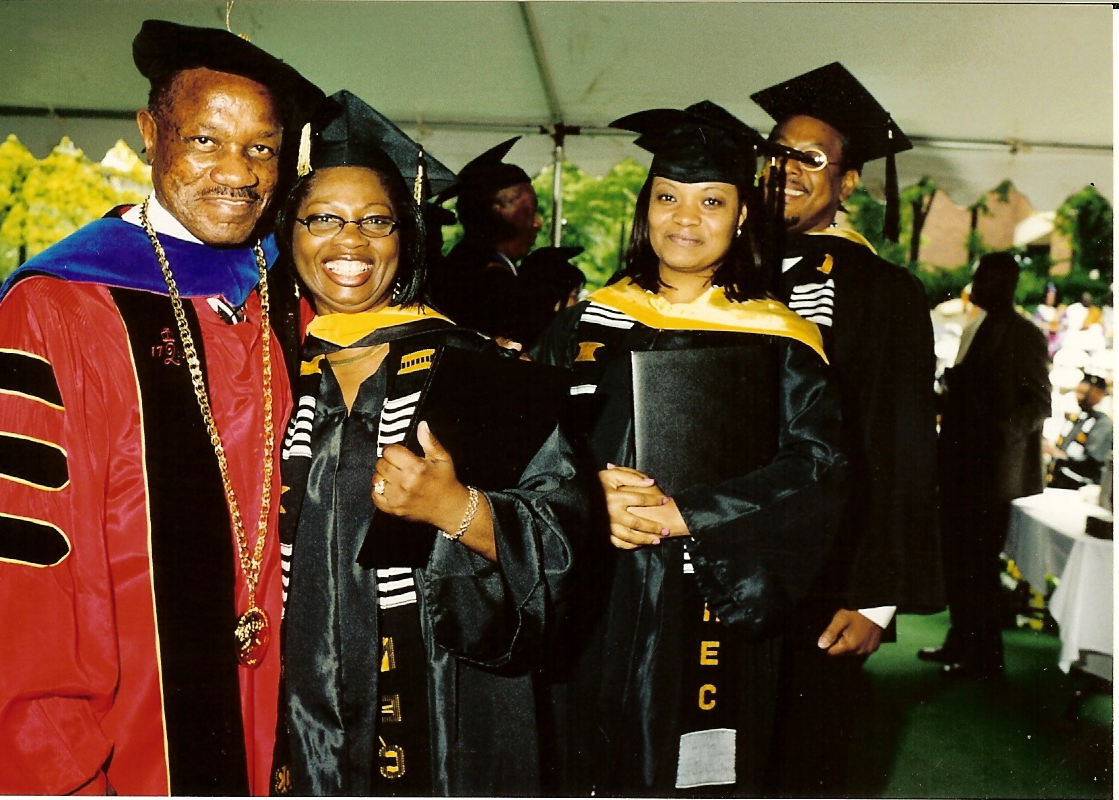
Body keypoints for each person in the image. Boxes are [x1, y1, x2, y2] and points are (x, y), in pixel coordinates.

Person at [0, 20, 319, 795]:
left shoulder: (293, 301)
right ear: (150, 133)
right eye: (205, 140)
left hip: (287, 717)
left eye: (261, 148)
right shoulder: (58, 310)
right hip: (123, 740)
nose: (236, 173)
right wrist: (53, 769)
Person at [272, 90, 582, 796]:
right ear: (289, 233)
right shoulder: (265, 376)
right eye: (322, 218)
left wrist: (459, 509)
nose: (348, 243)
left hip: (448, 707)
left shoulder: (476, 371)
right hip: (303, 714)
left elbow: (568, 538)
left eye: (375, 221)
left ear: (405, 236)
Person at [532, 102, 847, 796]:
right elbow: (527, 449)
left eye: (711, 201)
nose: (684, 218)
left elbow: (817, 468)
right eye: (667, 197)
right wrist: (586, 497)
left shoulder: (779, 338)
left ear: (741, 216)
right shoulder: (587, 324)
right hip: (597, 590)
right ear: (645, 209)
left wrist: (691, 514)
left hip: (712, 593)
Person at [750, 62, 944, 796]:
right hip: (725, 557)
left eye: (813, 158)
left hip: (828, 574)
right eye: (778, 152)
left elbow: (899, 445)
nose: (789, 169)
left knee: (805, 762)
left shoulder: (885, 293)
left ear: (849, 183)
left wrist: (876, 596)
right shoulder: (733, 274)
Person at [926, 252, 1051, 679]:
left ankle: (983, 657)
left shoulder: (1025, 335)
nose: (974, 283)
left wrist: (994, 433)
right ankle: (961, 642)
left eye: (983, 277)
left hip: (990, 473)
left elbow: (1039, 404)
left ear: (1005, 283)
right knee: (959, 562)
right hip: (960, 466)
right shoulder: (975, 325)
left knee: (977, 566)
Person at [429, 137, 543, 342]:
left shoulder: (466, 262)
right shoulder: (486, 277)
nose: (538, 222)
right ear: (497, 210)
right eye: (530, 210)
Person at [1045, 374, 1113, 490]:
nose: (1078, 398)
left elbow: (1093, 461)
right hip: (1059, 481)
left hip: (1079, 485)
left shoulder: (1102, 424)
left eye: (1084, 394)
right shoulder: (1080, 417)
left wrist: (1059, 455)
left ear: (1099, 394)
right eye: (1078, 392)